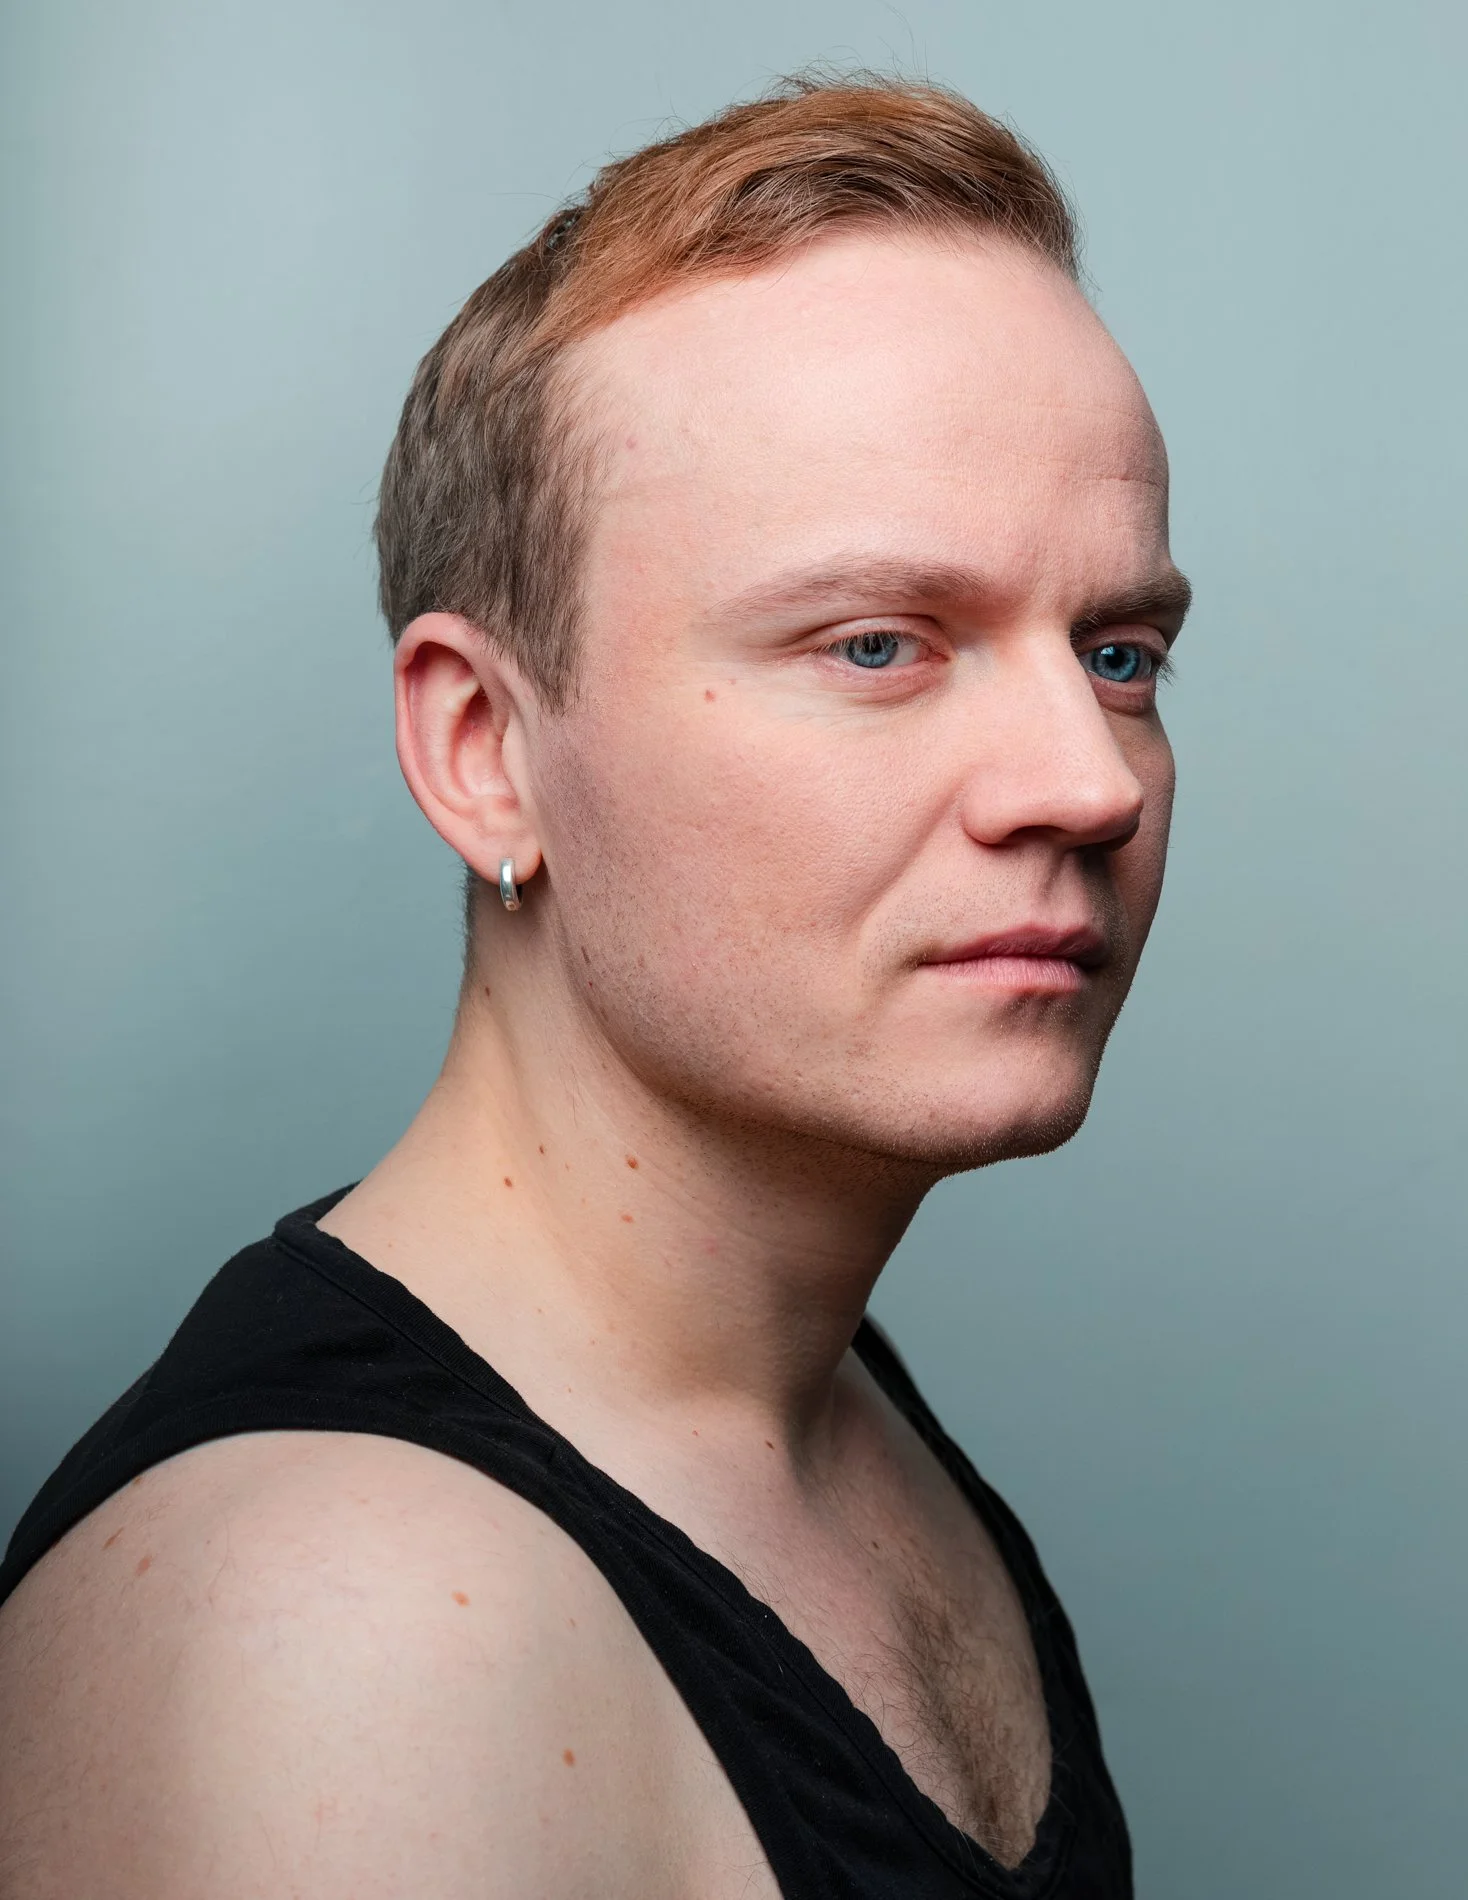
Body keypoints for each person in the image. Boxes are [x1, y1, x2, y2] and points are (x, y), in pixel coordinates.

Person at [0, 74, 1190, 1898]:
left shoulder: (833, 1421)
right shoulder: (355, 1635)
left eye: (1118, 654)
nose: (1089, 783)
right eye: (879, 643)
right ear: (485, 749)